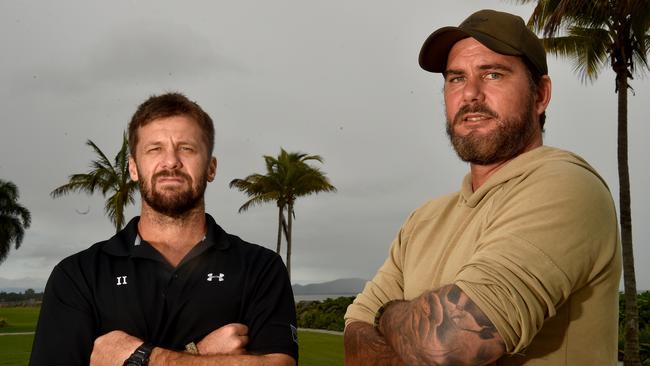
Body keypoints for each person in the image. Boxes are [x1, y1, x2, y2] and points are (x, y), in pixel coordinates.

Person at [344, 9, 621, 365]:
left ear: (541, 95)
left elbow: (448, 345)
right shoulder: (423, 221)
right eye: (456, 78)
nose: (470, 94)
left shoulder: (567, 186)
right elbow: (353, 337)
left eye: (493, 74)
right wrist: (413, 331)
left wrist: (385, 315)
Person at [30, 93, 298, 366]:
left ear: (211, 168)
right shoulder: (79, 275)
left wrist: (141, 357)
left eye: (187, 148)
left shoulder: (260, 267)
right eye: (154, 149)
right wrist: (199, 353)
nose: (171, 161)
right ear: (134, 168)